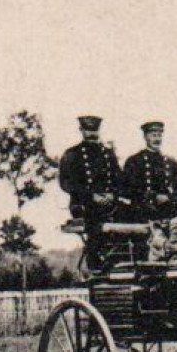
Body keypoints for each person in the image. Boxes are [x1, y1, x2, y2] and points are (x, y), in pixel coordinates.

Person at [118, 121, 177, 260]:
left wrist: (170, 198)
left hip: (168, 210)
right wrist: (151, 196)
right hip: (143, 211)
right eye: (153, 135)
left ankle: (176, 252)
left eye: (159, 135)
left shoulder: (170, 162)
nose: (157, 138)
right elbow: (125, 189)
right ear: (145, 137)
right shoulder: (134, 161)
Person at [58, 115, 121, 269]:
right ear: (81, 130)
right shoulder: (72, 154)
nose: (92, 133)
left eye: (95, 130)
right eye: (88, 130)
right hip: (84, 203)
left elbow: (120, 180)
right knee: (95, 222)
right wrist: (90, 196)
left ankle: (123, 259)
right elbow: (65, 183)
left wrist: (112, 194)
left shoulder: (108, 154)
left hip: (109, 202)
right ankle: (97, 264)